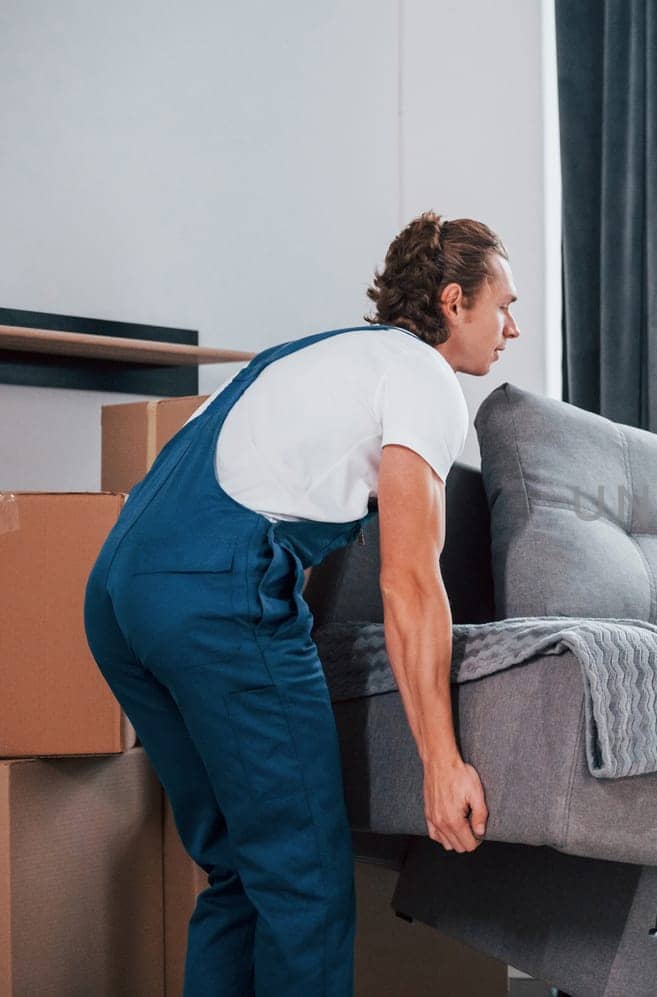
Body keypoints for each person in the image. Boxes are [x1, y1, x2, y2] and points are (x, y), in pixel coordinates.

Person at [82, 211, 521, 995]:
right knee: (307, 882)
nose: (511, 328)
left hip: (118, 591)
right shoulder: (425, 379)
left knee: (238, 874)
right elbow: (410, 582)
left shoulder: (319, 354)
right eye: (503, 306)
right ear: (454, 302)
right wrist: (441, 762)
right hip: (216, 597)